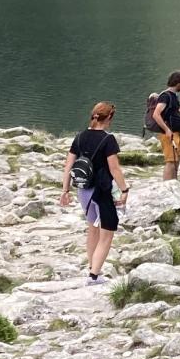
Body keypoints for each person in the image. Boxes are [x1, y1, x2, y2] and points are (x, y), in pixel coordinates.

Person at [61, 101, 130, 283]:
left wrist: (65, 190)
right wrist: (124, 190)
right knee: (107, 234)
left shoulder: (80, 137)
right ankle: (93, 276)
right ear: (109, 118)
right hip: (102, 191)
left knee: (93, 230)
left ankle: (92, 268)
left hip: (83, 191)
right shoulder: (108, 140)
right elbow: (114, 169)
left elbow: (68, 165)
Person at [148, 72, 180, 179]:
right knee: (170, 161)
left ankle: (174, 183)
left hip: (176, 132)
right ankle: (167, 186)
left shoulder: (173, 96)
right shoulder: (165, 96)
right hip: (168, 133)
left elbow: (173, 112)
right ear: (178, 83)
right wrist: (167, 130)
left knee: (176, 160)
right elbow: (156, 114)